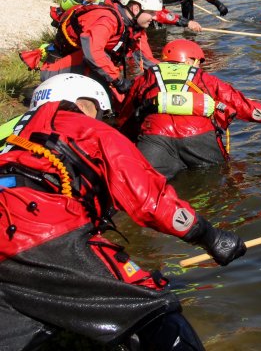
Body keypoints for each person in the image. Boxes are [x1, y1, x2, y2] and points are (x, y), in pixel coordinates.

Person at [0, 74, 246, 350]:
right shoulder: (85, 127)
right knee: (152, 309)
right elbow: (148, 198)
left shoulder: (9, 131)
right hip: (41, 233)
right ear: (86, 105)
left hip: (15, 238)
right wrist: (209, 236)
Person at [116, 39, 261, 178]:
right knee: (216, 181)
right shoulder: (205, 79)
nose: (200, 66)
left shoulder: (145, 78)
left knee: (147, 186)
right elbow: (244, 107)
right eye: (200, 62)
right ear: (190, 61)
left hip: (154, 139)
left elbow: (126, 117)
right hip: (200, 138)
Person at [25, 0, 162, 100]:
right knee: (112, 91)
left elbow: (147, 59)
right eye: (151, 12)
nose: (155, 17)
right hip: (58, 68)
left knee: (122, 88)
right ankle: (43, 89)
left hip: (84, 63)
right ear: (136, 8)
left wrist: (170, 73)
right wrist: (119, 81)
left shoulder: (135, 27)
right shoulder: (106, 19)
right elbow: (92, 53)